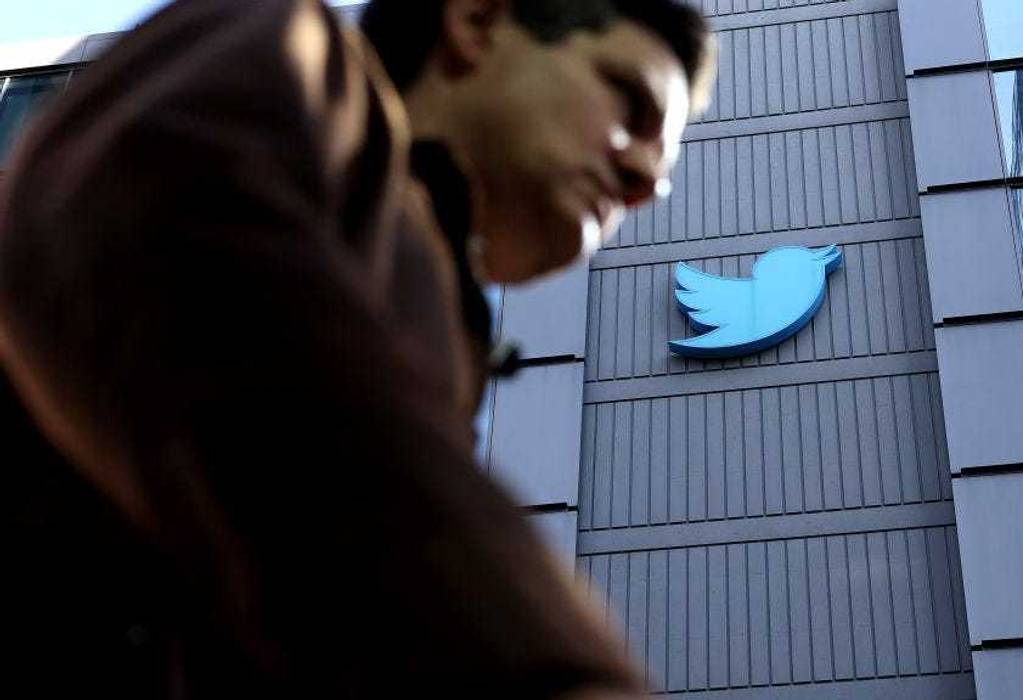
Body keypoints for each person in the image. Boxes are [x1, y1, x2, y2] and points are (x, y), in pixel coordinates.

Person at [0, 0, 713, 697]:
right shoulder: (293, 46)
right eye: (629, 105)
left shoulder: (435, 318)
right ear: (477, 21)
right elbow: (159, 241)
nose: (647, 181)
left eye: (662, 167)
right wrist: (548, 666)